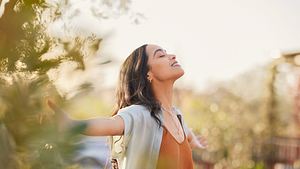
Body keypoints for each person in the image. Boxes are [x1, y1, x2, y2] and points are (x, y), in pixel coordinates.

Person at [48, 44, 207, 169]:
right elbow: (111, 124)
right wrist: (72, 125)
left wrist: (195, 143)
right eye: (161, 55)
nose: (172, 56)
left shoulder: (176, 115)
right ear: (148, 74)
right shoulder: (141, 114)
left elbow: (188, 136)